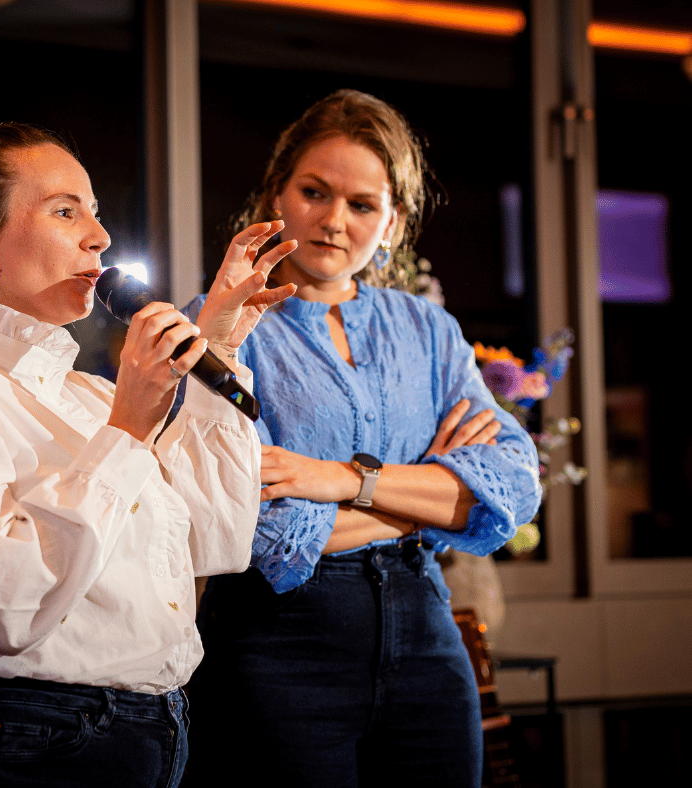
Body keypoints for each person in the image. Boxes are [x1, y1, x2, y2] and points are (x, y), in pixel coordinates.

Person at [0, 111, 295, 787]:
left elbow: (216, 542)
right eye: (66, 212)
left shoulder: (89, 398)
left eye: (95, 213)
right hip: (26, 737)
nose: (99, 236)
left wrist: (216, 350)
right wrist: (127, 433)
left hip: (153, 731)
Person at [180, 89, 542, 787]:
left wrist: (346, 480)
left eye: (362, 204)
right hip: (277, 642)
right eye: (314, 191)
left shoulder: (428, 329)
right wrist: (428, 496)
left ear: (395, 222)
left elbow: (514, 483)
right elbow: (249, 518)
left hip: (430, 633)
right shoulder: (218, 323)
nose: (334, 221)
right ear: (275, 194)